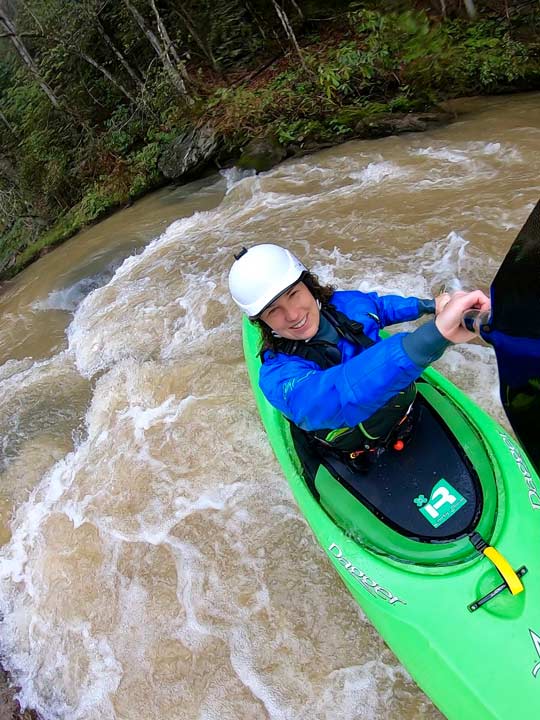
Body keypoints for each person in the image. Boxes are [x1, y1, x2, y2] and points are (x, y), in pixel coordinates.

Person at [228, 243, 491, 474]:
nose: (294, 314)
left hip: (405, 413)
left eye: (294, 294)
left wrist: (429, 306)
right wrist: (433, 336)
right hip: (353, 451)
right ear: (261, 322)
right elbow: (335, 397)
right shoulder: (278, 376)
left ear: (308, 286)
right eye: (274, 311)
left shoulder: (348, 304)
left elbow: (381, 308)